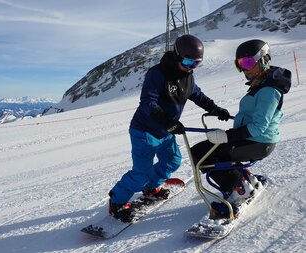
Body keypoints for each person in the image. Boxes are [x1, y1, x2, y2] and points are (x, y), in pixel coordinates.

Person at [108, 34, 231, 222]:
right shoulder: (158, 74)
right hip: (145, 131)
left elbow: (197, 95)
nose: (192, 68)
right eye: (189, 62)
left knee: (173, 161)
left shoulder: (188, 77)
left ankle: (151, 187)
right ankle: (117, 201)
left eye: (197, 63)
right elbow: (147, 103)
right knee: (140, 171)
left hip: (166, 130)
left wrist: (215, 109)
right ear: (177, 55)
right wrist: (167, 122)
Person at [191, 39, 291, 210]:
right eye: (240, 64)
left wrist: (227, 136)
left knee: (201, 155)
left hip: (258, 141)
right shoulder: (262, 83)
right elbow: (254, 116)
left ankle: (239, 189)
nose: (244, 69)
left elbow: (259, 126)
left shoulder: (269, 90)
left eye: (248, 63)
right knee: (204, 150)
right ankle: (245, 180)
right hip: (254, 138)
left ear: (264, 59)